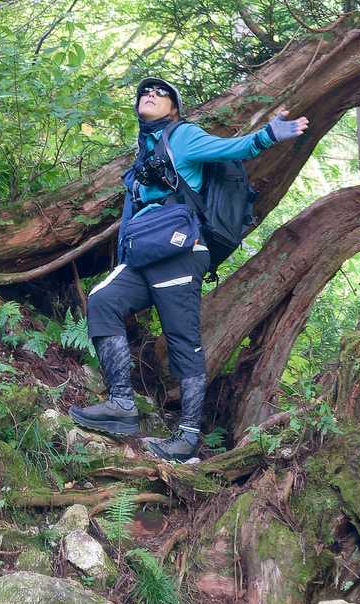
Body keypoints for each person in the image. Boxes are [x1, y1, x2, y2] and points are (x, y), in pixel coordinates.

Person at [69, 76, 308, 463]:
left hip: (180, 252)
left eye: (161, 93)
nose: (151, 94)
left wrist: (269, 134)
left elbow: (233, 148)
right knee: (103, 300)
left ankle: (187, 438)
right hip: (144, 254)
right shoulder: (143, 152)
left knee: (182, 340)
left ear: (174, 109)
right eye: (145, 92)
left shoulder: (183, 136)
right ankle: (121, 404)